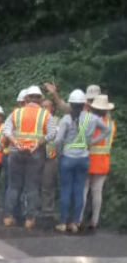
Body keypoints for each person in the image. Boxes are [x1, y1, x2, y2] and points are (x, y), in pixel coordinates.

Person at [54, 90, 110, 233]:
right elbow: (106, 130)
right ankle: (75, 223)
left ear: (71, 104)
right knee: (79, 191)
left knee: (66, 190)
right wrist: (92, 142)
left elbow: (59, 140)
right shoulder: (92, 118)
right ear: (85, 104)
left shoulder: (66, 119)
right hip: (83, 158)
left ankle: (63, 222)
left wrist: (59, 154)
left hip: (68, 157)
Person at [3, 85, 57, 228]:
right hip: (35, 153)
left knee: (14, 186)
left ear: (27, 98)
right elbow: (53, 133)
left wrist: (15, 141)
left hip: (16, 152)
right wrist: (38, 143)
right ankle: (29, 219)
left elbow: (6, 129)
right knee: (32, 187)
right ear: (40, 99)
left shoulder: (16, 113)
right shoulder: (45, 114)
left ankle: (8, 217)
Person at [82, 94, 117, 231]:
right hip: (103, 162)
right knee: (97, 192)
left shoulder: (89, 121)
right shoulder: (111, 124)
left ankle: (78, 219)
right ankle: (94, 221)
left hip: (88, 160)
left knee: (83, 191)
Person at [41, 99, 59, 217]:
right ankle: (37, 207)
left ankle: (48, 209)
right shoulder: (38, 120)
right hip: (37, 155)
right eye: (43, 107)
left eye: (47, 106)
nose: (45, 109)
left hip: (51, 156)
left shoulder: (58, 121)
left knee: (48, 183)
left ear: (52, 108)